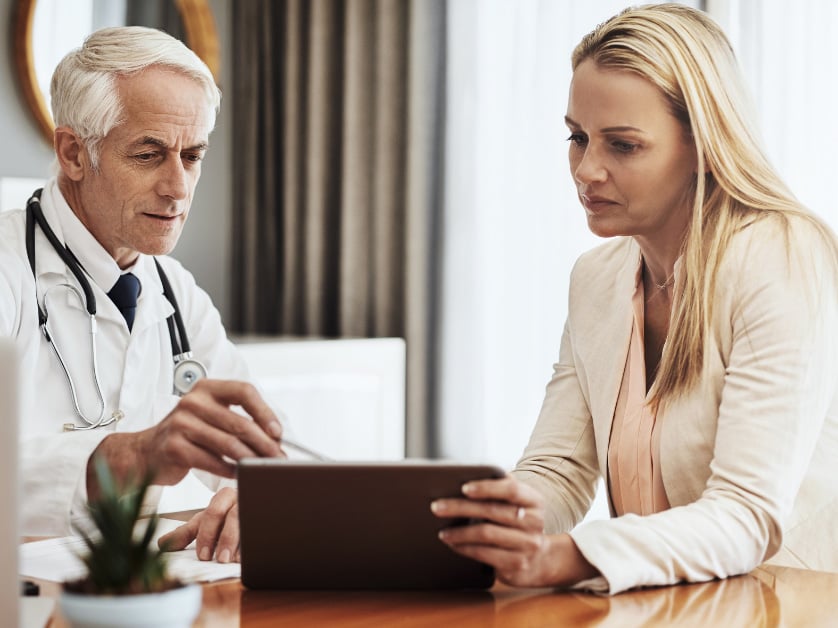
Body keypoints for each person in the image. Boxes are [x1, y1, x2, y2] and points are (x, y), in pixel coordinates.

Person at [431, 3, 838, 594]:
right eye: (577, 138)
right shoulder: (597, 278)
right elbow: (560, 468)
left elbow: (747, 513)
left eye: (622, 145)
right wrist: (492, 526)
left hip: (790, 604)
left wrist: (569, 558)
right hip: (666, 609)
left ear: (703, 144)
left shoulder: (782, 255)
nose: (585, 169)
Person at [0, 26, 284, 564]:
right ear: (74, 153)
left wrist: (256, 498)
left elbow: (262, 450)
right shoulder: (8, 270)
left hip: (151, 593)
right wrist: (129, 457)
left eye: (192, 156)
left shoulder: (177, 293)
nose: (178, 187)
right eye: (150, 154)